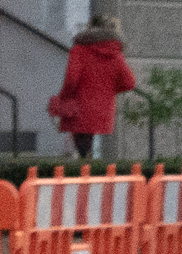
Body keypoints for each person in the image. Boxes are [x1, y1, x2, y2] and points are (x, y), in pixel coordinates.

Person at [52, 15, 135, 161]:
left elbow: (71, 80)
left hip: (80, 105)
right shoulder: (115, 53)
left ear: (89, 28)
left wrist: (63, 98)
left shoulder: (79, 49)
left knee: (81, 147)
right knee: (90, 144)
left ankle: (83, 169)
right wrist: (107, 90)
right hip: (103, 106)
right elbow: (129, 82)